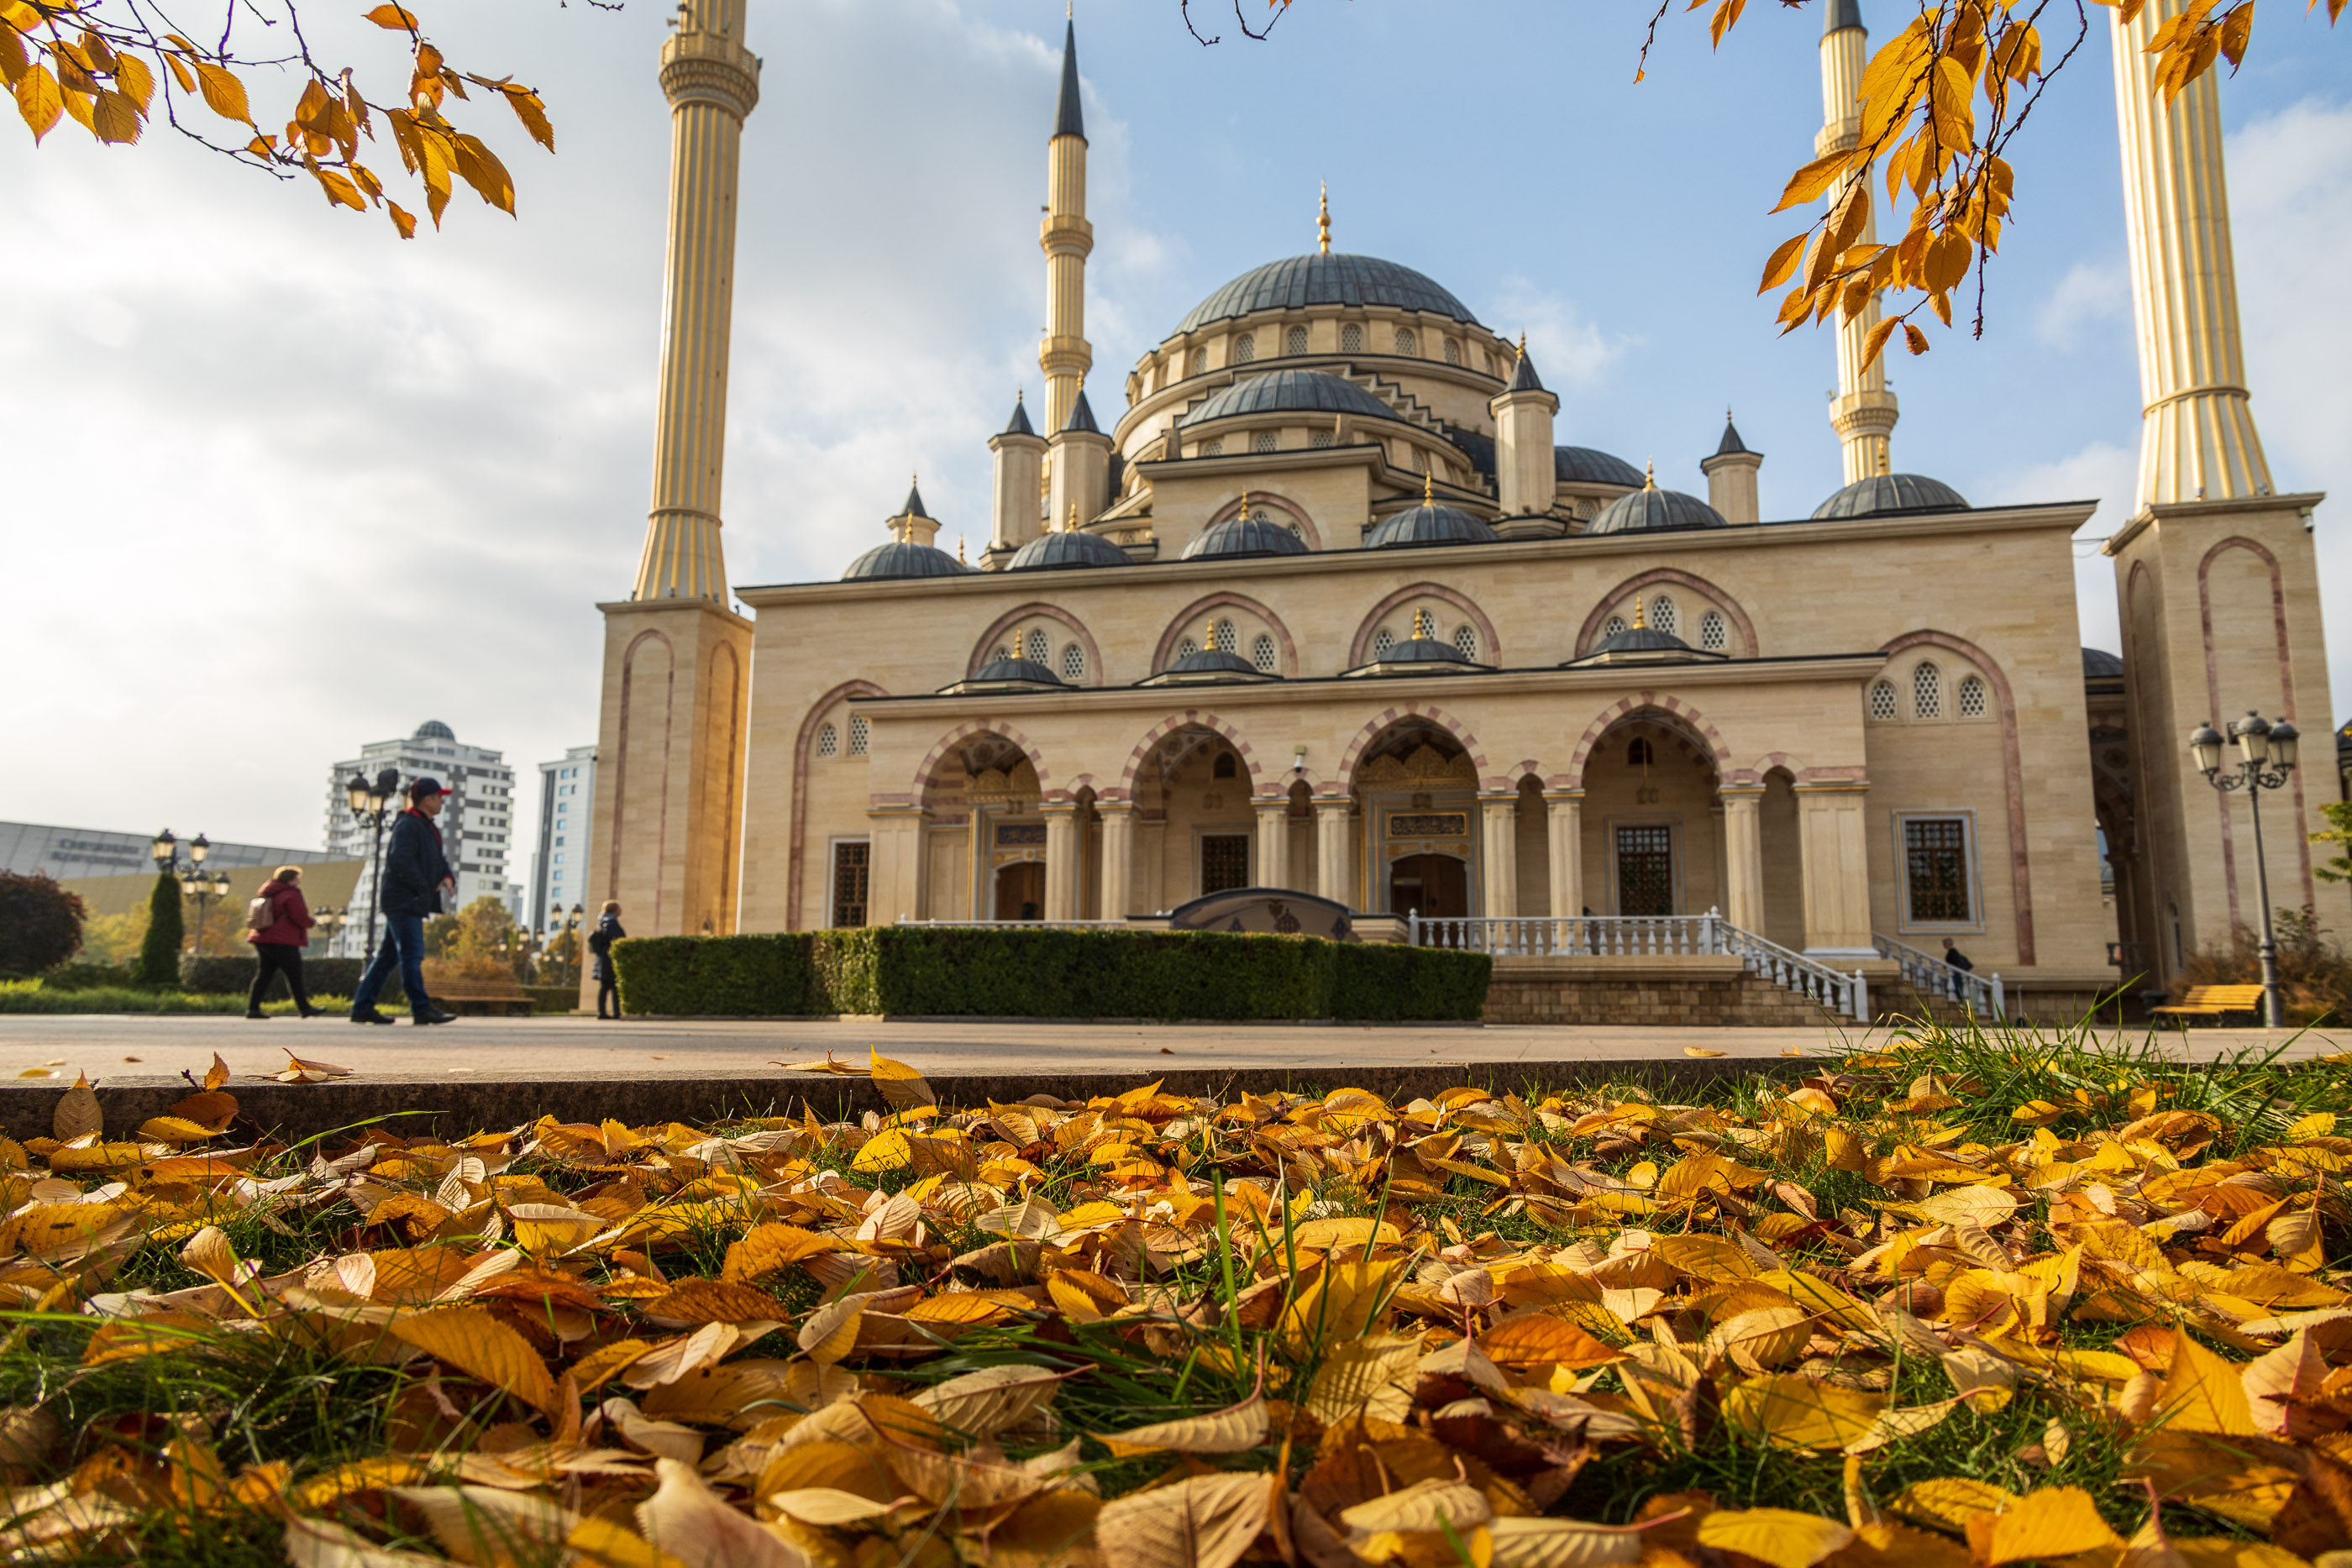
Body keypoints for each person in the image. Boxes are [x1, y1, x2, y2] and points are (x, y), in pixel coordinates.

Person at [351, 778, 459, 1026]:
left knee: (387, 957)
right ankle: (421, 1008)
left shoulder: (427, 827)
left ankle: (362, 1007)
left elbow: (438, 859)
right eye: (439, 797)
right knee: (412, 954)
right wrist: (423, 885)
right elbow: (400, 860)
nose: (442, 802)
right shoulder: (408, 825)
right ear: (427, 799)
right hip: (403, 900)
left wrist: (446, 876)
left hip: (412, 900)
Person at [244, 866, 323, 1020]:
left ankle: (252, 1009)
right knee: (294, 975)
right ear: (290, 880)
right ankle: (305, 1008)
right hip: (283, 939)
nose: (298, 882)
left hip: (263, 938)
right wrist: (311, 922)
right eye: (297, 878)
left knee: (264, 975)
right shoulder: (290, 894)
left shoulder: (267, 892)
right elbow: (299, 915)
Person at [588, 899, 627, 1019]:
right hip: (609, 959)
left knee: (605, 987)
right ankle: (615, 1013)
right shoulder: (611, 923)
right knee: (613, 986)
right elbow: (618, 939)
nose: (621, 910)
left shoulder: (602, 921)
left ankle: (602, 1012)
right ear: (614, 910)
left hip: (602, 959)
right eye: (619, 908)